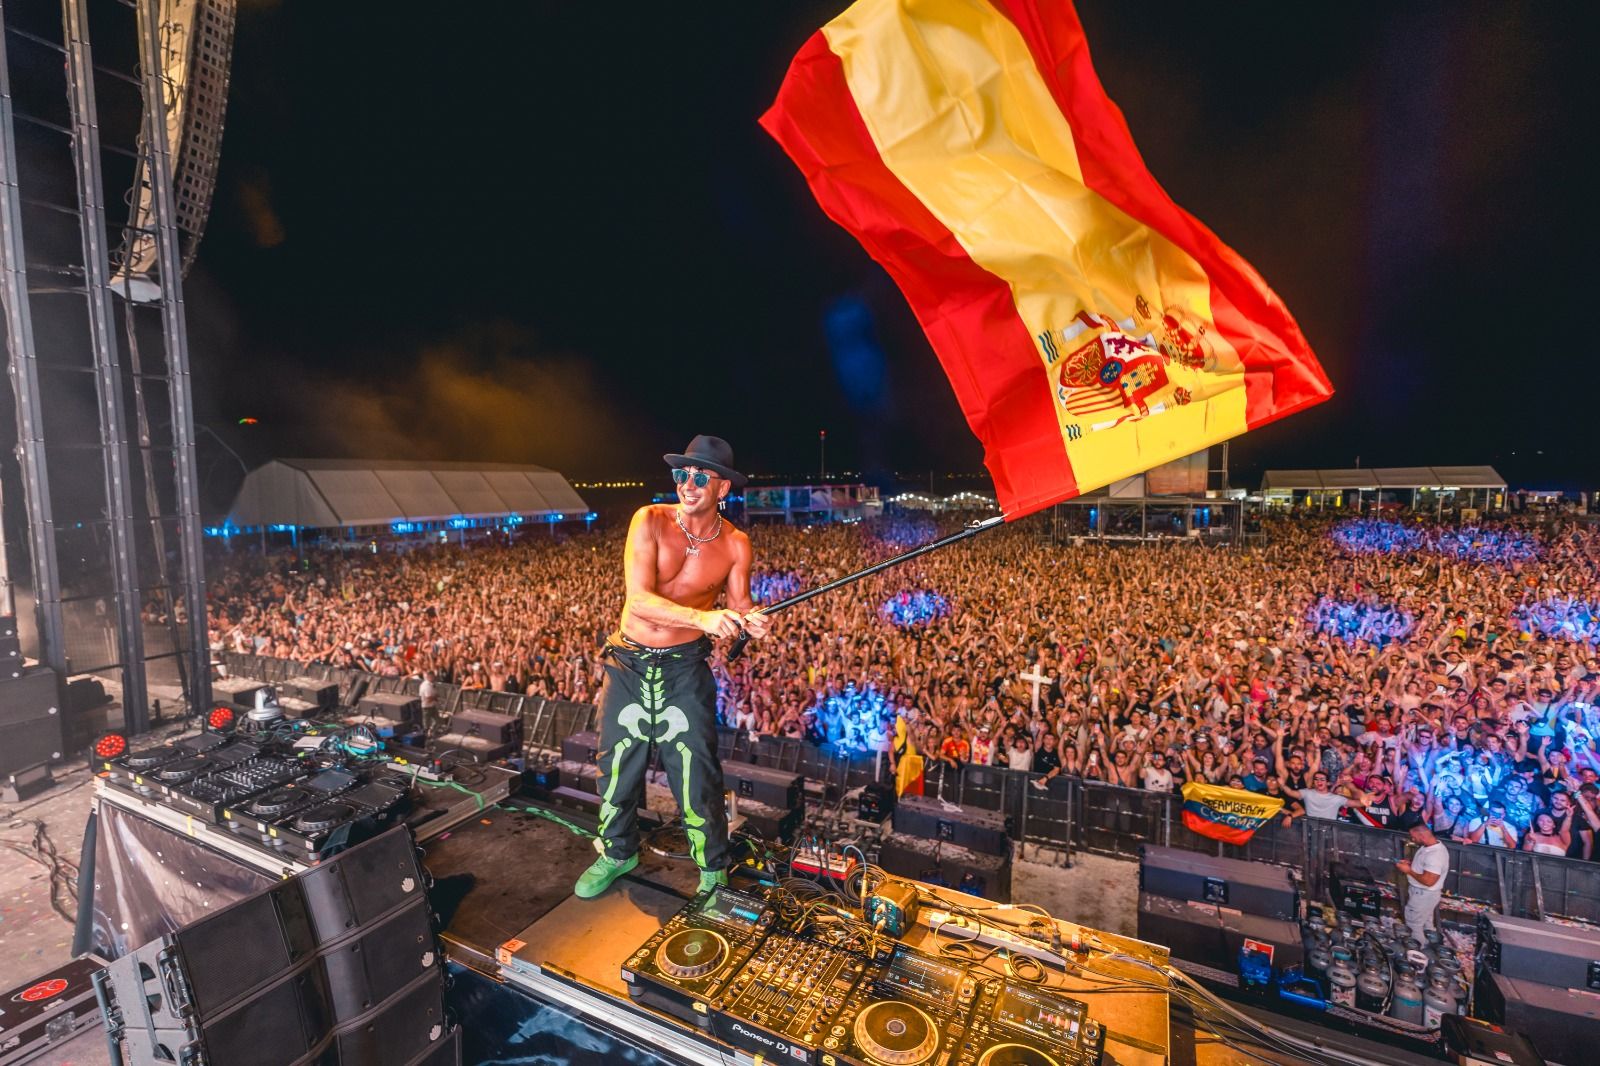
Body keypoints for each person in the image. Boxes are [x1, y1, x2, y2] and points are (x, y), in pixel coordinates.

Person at [576, 436, 770, 899]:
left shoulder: (737, 544)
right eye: (682, 474)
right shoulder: (650, 520)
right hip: (629, 663)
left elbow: (739, 610)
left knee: (697, 773)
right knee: (617, 764)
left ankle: (712, 870)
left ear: (722, 488)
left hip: (685, 669)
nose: (688, 483)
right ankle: (617, 852)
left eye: (700, 476)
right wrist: (704, 618)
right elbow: (639, 602)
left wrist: (752, 623)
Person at [1395, 813, 1449, 938]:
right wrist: (1412, 865)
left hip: (1424, 894)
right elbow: (1425, 868)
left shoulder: (1435, 856)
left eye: (1414, 837)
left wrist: (1408, 870)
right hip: (1426, 895)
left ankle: (1417, 951)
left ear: (1422, 836)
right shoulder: (1428, 847)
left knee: (1414, 925)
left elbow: (1429, 880)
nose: (1412, 840)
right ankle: (1430, 949)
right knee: (1426, 925)